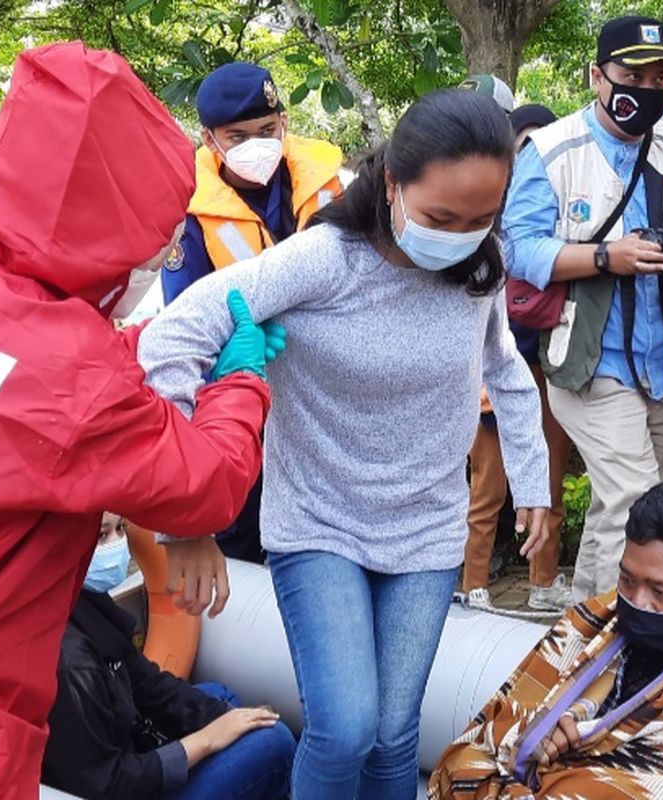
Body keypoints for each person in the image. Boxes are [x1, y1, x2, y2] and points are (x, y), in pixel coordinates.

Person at [0, 43, 283, 798]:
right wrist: (238, 380)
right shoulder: (71, 376)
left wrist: (146, 347)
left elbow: (18, 382)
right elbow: (207, 487)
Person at [138, 88, 551, 800]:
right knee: (346, 726)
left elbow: (506, 371)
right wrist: (185, 509)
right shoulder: (323, 260)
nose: (461, 236)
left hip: (425, 529)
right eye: (441, 217)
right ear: (391, 183)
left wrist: (534, 481)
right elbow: (169, 340)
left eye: (482, 219)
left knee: (396, 736)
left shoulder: (479, 265)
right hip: (320, 521)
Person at [505, 15, 663, 604]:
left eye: (660, 75)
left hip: (660, 364)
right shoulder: (553, 149)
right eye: (631, 74)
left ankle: (582, 620)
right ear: (597, 76)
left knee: (623, 504)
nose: (646, 88)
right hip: (588, 361)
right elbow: (517, 248)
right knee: (639, 499)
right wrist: (602, 258)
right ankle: (620, 630)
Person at [429, 480, 663, 799]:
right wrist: (538, 738)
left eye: (661, 592)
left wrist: (579, 768)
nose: (637, 602)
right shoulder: (595, 620)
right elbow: (493, 737)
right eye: (627, 579)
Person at [162, 61, 343, 564]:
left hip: (323, 390)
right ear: (209, 139)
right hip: (242, 392)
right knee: (244, 525)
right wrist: (232, 367)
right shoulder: (192, 211)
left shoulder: (328, 185)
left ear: (283, 121)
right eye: (237, 137)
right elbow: (185, 319)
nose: (257, 146)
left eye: (267, 130)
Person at [42, 521, 296, 800]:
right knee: (274, 742)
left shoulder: (79, 601)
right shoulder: (69, 663)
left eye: (120, 530)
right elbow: (108, 785)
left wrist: (226, 719)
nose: (115, 545)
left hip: (124, 752)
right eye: (102, 535)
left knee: (221, 699)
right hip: (117, 786)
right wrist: (206, 741)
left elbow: (145, 681)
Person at [463, 101, 573, 612]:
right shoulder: (482, 215)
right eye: (521, 143)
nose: (529, 154)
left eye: (539, 144)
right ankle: (474, 585)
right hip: (492, 372)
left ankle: (543, 584)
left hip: (546, 367)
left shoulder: (565, 213)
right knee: (489, 488)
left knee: (547, 480)